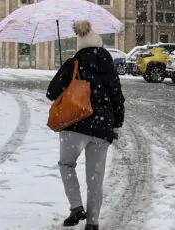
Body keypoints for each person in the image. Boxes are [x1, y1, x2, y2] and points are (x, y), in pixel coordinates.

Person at [46, 20, 125, 230]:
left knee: (66, 164)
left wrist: (66, 76)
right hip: (102, 128)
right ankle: (92, 223)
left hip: (74, 123)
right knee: (95, 177)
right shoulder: (108, 66)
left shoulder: (73, 63)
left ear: (79, 43)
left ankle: (76, 206)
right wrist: (115, 125)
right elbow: (118, 98)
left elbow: (51, 93)